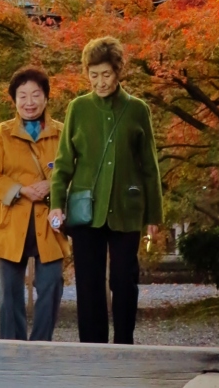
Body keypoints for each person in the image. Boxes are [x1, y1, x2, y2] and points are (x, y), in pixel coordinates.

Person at [49, 36, 163, 345]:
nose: (100, 82)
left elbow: (149, 166)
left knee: (125, 280)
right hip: (87, 209)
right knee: (89, 283)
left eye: (106, 74)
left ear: (118, 72)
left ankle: (124, 342)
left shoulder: (137, 109)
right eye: (93, 75)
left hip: (127, 208)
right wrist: (57, 204)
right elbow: (63, 163)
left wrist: (154, 215)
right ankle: (93, 348)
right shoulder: (78, 108)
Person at [0, 66, 69, 342]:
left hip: (49, 222)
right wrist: (20, 190)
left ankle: (41, 346)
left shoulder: (61, 132)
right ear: (14, 100)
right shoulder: (2, 133)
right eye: (22, 96)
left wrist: (51, 187)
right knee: (9, 291)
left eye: (35, 95)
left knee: (52, 284)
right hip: (10, 221)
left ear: (46, 98)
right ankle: (11, 347)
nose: (29, 102)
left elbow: (73, 173)